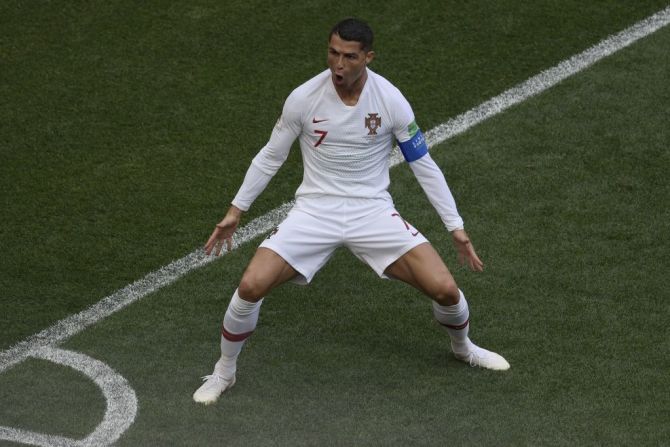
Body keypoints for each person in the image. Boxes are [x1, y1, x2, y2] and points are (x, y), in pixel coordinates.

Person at [193, 18, 509, 405]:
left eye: (349, 57)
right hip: (314, 211)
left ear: (368, 58)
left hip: (372, 212)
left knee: (445, 288)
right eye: (333, 53)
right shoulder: (304, 98)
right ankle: (224, 372)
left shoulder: (390, 100)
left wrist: (455, 227)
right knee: (250, 286)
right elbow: (271, 156)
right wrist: (235, 211)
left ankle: (464, 348)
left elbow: (422, 163)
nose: (338, 65)